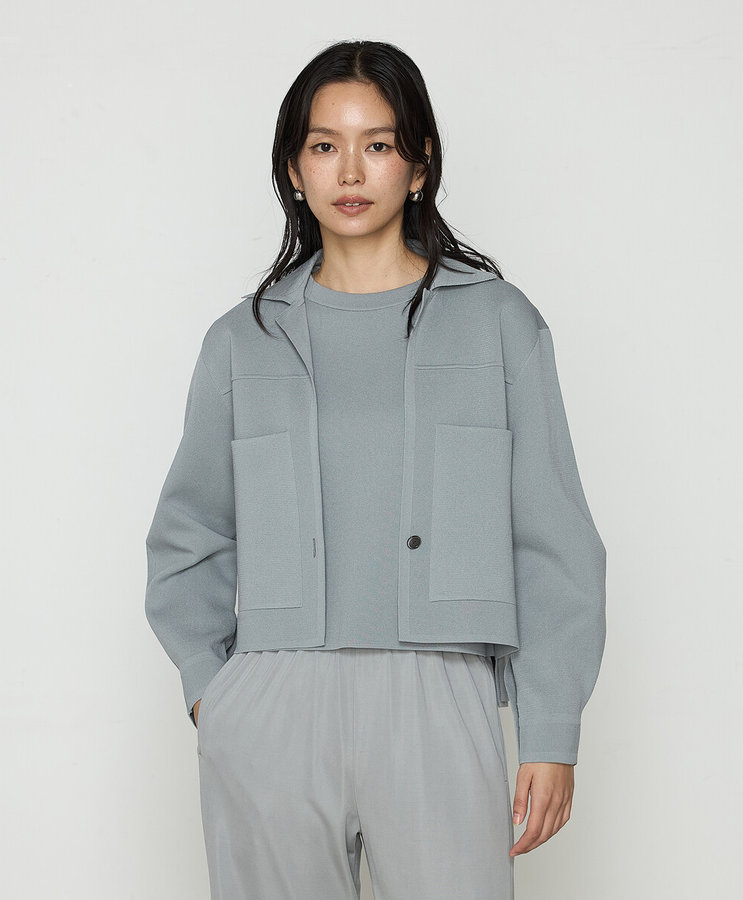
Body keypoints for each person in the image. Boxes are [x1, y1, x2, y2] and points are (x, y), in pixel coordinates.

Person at [145, 39, 607, 900]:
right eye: (325, 145)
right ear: (294, 170)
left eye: (379, 144)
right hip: (275, 695)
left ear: (419, 165)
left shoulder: (500, 325)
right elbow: (190, 533)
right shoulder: (242, 341)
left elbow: (553, 540)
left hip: (442, 688)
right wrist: (217, 695)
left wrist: (551, 729)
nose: (351, 171)